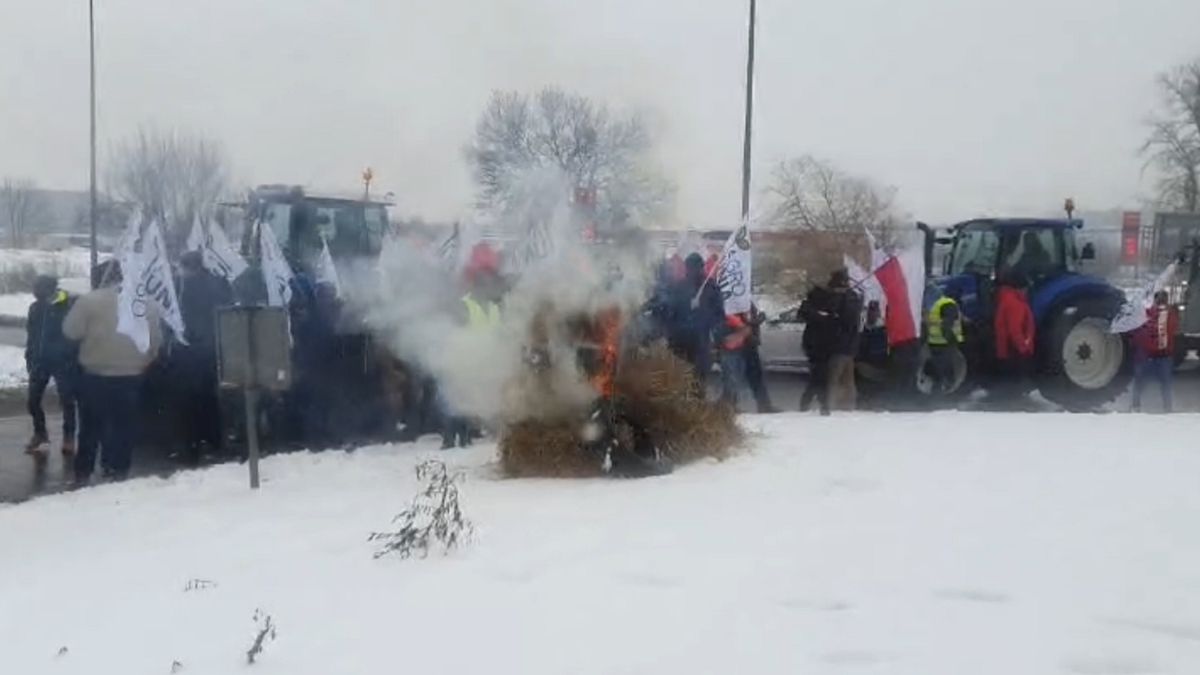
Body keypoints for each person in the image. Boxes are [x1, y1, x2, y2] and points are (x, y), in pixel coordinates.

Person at [63, 261, 162, 484]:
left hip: (95, 374)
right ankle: (117, 470)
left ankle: (83, 472)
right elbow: (155, 339)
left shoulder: (89, 301)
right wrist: (145, 361)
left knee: (90, 427)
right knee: (123, 426)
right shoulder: (146, 303)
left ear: (100, 278)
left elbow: (71, 332)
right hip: (131, 376)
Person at [176, 251, 233, 462]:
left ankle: (192, 444)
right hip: (215, 346)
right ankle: (215, 440)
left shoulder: (185, 287)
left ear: (188, 267)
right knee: (211, 396)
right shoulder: (219, 283)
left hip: (192, 349)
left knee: (191, 399)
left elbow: (181, 315)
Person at [23, 275, 79, 458]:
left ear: (50, 289)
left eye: (38, 288)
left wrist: (69, 354)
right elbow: (31, 335)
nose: (35, 292)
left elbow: (74, 333)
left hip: (62, 362)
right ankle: (40, 434)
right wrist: (29, 356)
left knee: (67, 401)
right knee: (33, 400)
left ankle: (69, 437)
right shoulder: (35, 308)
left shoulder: (66, 306)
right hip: (39, 361)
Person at [666, 253, 724, 390]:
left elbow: (719, 314)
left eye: (694, 268)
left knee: (699, 378)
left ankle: (698, 399)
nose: (691, 271)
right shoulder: (679, 287)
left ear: (701, 268)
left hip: (701, 341)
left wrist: (704, 314)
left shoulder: (711, 287)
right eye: (689, 268)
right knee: (681, 378)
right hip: (680, 341)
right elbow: (671, 313)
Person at [1132, 291, 1179, 413]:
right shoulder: (1171, 314)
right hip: (1164, 355)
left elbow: (1139, 331)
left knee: (1140, 382)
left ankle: (1135, 407)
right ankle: (1167, 408)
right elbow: (1174, 329)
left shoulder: (1148, 313)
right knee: (1165, 384)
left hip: (1147, 355)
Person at [993, 273, 1035, 397]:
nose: (1027, 292)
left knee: (1009, 378)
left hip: (1007, 347)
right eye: (1026, 288)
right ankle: (1016, 399)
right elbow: (1015, 329)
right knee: (1016, 378)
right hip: (1015, 348)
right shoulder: (1015, 303)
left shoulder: (1007, 298)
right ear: (1021, 288)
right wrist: (1023, 348)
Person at [826, 270, 863, 411]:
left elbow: (836, 317)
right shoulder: (854, 298)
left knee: (833, 378)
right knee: (848, 379)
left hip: (839, 344)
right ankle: (849, 407)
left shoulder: (840, 299)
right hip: (851, 345)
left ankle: (829, 405)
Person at [799, 283, 835, 415]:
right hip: (816, 346)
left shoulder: (826, 306)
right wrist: (823, 316)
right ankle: (821, 403)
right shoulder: (810, 308)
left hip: (821, 346)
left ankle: (810, 401)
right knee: (820, 376)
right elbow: (805, 314)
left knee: (818, 376)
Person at [926, 290, 964, 396]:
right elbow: (946, 325)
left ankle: (937, 394)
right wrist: (952, 340)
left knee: (939, 371)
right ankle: (943, 396)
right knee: (945, 371)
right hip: (944, 343)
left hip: (935, 342)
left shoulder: (938, 304)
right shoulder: (950, 304)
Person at [742, 303, 777, 413]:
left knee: (755, 376)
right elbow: (746, 321)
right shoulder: (740, 302)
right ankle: (764, 405)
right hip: (744, 343)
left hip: (749, 343)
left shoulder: (747, 302)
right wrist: (760, 318)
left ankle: (764, 404)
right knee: (739, 376)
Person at [719, 312, 752, 407]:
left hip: (735, 350)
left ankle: (729, 403)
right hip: (730, 351)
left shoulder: (733, 317)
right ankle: (729, 404)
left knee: (732, 378)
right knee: (731, 379)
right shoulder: (730, 317)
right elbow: (745, 330)